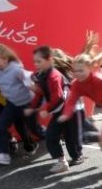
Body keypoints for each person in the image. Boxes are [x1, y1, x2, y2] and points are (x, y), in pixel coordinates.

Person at [0, 43, 39, 166]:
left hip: (26, 104)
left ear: (5, 59)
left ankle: (53, 137)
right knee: (0, 126)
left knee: (35, 130)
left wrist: (32, 86)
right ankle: (2, 154)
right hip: (11, 104)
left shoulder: (16, 69)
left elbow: (27, 77)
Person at [23, 46, 80, 174]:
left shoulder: (54, 76)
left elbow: (58, 97)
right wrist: (32, 107)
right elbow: (39, 93)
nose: (36, 64)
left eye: (39, 61)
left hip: (66, 110)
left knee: (53, 136)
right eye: (35, 61)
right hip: (62, 110)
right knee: (64, 135)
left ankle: (63, 161)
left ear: (49, 60)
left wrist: (46, 109)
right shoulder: (42, 75)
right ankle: (74, 157)